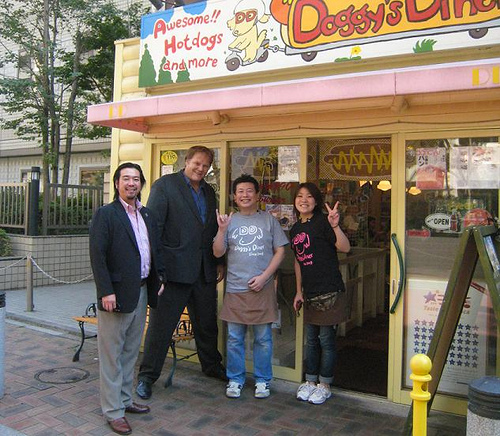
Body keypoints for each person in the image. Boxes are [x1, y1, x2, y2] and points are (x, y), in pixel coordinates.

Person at [136, 146, 226, 400]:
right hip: (172, 273)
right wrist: (157, 271)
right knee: (160, 328)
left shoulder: (210, 192)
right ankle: (147, 377)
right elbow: (153, 228)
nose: (201, 168)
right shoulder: (165, 185)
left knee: (207, 325)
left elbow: (211, 230)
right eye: (197, 163)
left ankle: (211, 366)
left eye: (206, 165)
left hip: (204, 271)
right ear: (186, 161)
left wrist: (220, 261)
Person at [89, 162, 165, 435]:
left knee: (130, 352)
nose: (131, 183)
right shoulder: (106, 214)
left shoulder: (146, 214)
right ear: (117, 183)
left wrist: (159, 279)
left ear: (141, 183)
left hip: (142, 290)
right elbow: (98, 256)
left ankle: (123, 400)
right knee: (111, 355)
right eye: (126, 179)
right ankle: (112, 411)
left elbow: (152, 250)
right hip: (116, 294)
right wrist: (105, 291)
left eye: (136, 179)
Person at [213, 174, 288, 399]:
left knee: (263, 338)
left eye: (249, 191)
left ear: (257, 195)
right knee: (235, 338)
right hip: (236, 288)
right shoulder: (229, 221)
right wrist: (222, 230)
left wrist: (265, 277)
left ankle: (262, 380)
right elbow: (217, 252)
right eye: (240, 192)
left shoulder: (269, 220)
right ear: (234, 197)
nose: (245, 195)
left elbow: (281, 251)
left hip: (262, 289)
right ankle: (235, 379)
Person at [289, 182, 351, 405]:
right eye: (299, 196)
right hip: (310, 292)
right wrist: (298, 291)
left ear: (316, 201)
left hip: (330, 291)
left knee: (326, 340)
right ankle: (310, 381)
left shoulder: (323, 222)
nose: (303, 200)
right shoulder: (295, 229)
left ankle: (324, 384)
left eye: (308, 196)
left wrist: (335, 226)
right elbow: (298, 262)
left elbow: (345, 248)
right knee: (311, 340)